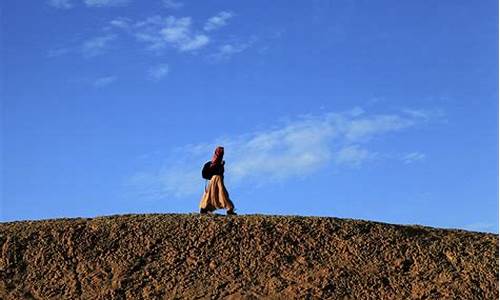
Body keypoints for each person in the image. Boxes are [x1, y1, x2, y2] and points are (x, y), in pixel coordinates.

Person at [199, 146, 237, 215]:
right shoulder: (210, 164)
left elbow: (207, 174)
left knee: (217, 195)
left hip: (217, 180)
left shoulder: (216, 164)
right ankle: (229, 209)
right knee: (220, 194)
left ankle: (204, 209)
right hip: (215, 180)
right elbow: (205, 174)